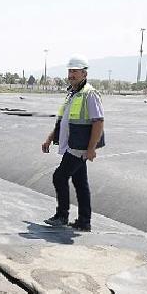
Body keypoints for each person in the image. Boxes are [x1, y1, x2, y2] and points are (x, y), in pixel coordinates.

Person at [41, 55, 105, 232]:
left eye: (75, 71)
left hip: (79, 146)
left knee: (59, 176)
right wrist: (49, 138)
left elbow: (98, 122)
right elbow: (64, 120)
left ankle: (62, 215)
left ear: (84, 73)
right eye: (70, 71)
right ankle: (84, 221)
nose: (71, 74)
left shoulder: (89, 94)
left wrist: (91, 148)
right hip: (72, 144)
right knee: (80, 182)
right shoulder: (72, 93)